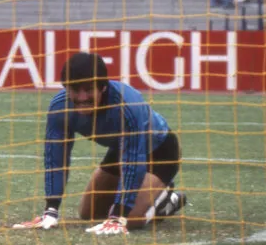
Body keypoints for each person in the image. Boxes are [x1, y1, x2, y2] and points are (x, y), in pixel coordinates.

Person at [13, 52, 187, 234]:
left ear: (102, 88)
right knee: (89, 214)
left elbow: (133, 161)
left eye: (88, 90)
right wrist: (51, 210)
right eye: (75, 89)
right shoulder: (60, 107)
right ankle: (150, 197)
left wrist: (118, 216)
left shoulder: (126, 105)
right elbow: (56, 158)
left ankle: (167, 198)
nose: (81, 97)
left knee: (131, 219)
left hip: (160, 150)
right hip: (120, 148)